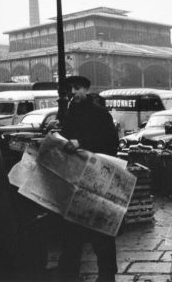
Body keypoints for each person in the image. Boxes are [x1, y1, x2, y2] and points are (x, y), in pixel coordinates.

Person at [57, 76, 119, 282]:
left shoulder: (100, 114)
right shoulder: (70, 114)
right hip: (75, 180)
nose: (73, 93)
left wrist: (81, 142)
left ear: (86, 89)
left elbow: (111, 143)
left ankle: (107, 275)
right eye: (70, 90)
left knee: (101, 231)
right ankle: (68, 274)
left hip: (96, 180)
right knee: (71, 233)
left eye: (77, 88)